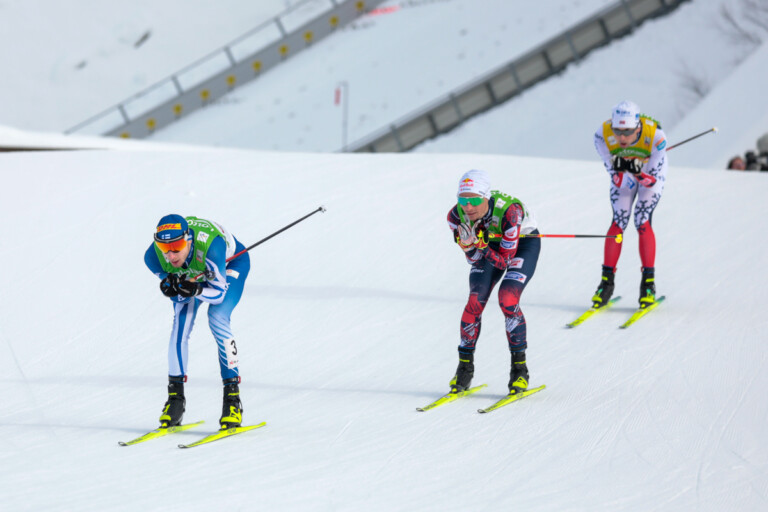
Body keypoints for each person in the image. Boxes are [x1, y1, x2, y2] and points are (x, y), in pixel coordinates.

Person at [144, 214, 251, 429]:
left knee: (217, 317)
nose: (170, 255)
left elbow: (218, 294)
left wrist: (196, 289)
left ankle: (232, 400)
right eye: (164, 248)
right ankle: (175, 400)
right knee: (180, 323)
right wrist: (173, 288)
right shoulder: (153, 257)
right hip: (196, 272)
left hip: (230, 264)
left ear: (188, 239)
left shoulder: (212, 248)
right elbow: (178, 296)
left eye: (176, 246)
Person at [446, 169, 540, 396]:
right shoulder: (455, 216)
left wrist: (480, 245)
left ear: (486, 197)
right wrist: (469, 246)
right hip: (489, 245)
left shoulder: (511, 212)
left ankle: (519, 370)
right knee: (475, 301)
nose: (468, 207)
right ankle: (464, 369)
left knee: (507, 298)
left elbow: (504, 260)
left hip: (522, 244)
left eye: (474, 200)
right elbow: (474, 260)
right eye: (463, 200)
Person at [592, 100, 668, 309]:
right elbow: (617, 180)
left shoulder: (656, 137)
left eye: (627, 132)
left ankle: (648, 285)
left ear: (638, 127)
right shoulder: (602, 135)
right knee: (619, 221)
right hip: (625, 174)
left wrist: (638, 172)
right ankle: (606, 283)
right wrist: (620, 169)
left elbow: (652, 181)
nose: (622, 138)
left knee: (642, 220)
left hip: (649, 173)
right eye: (618, 131)